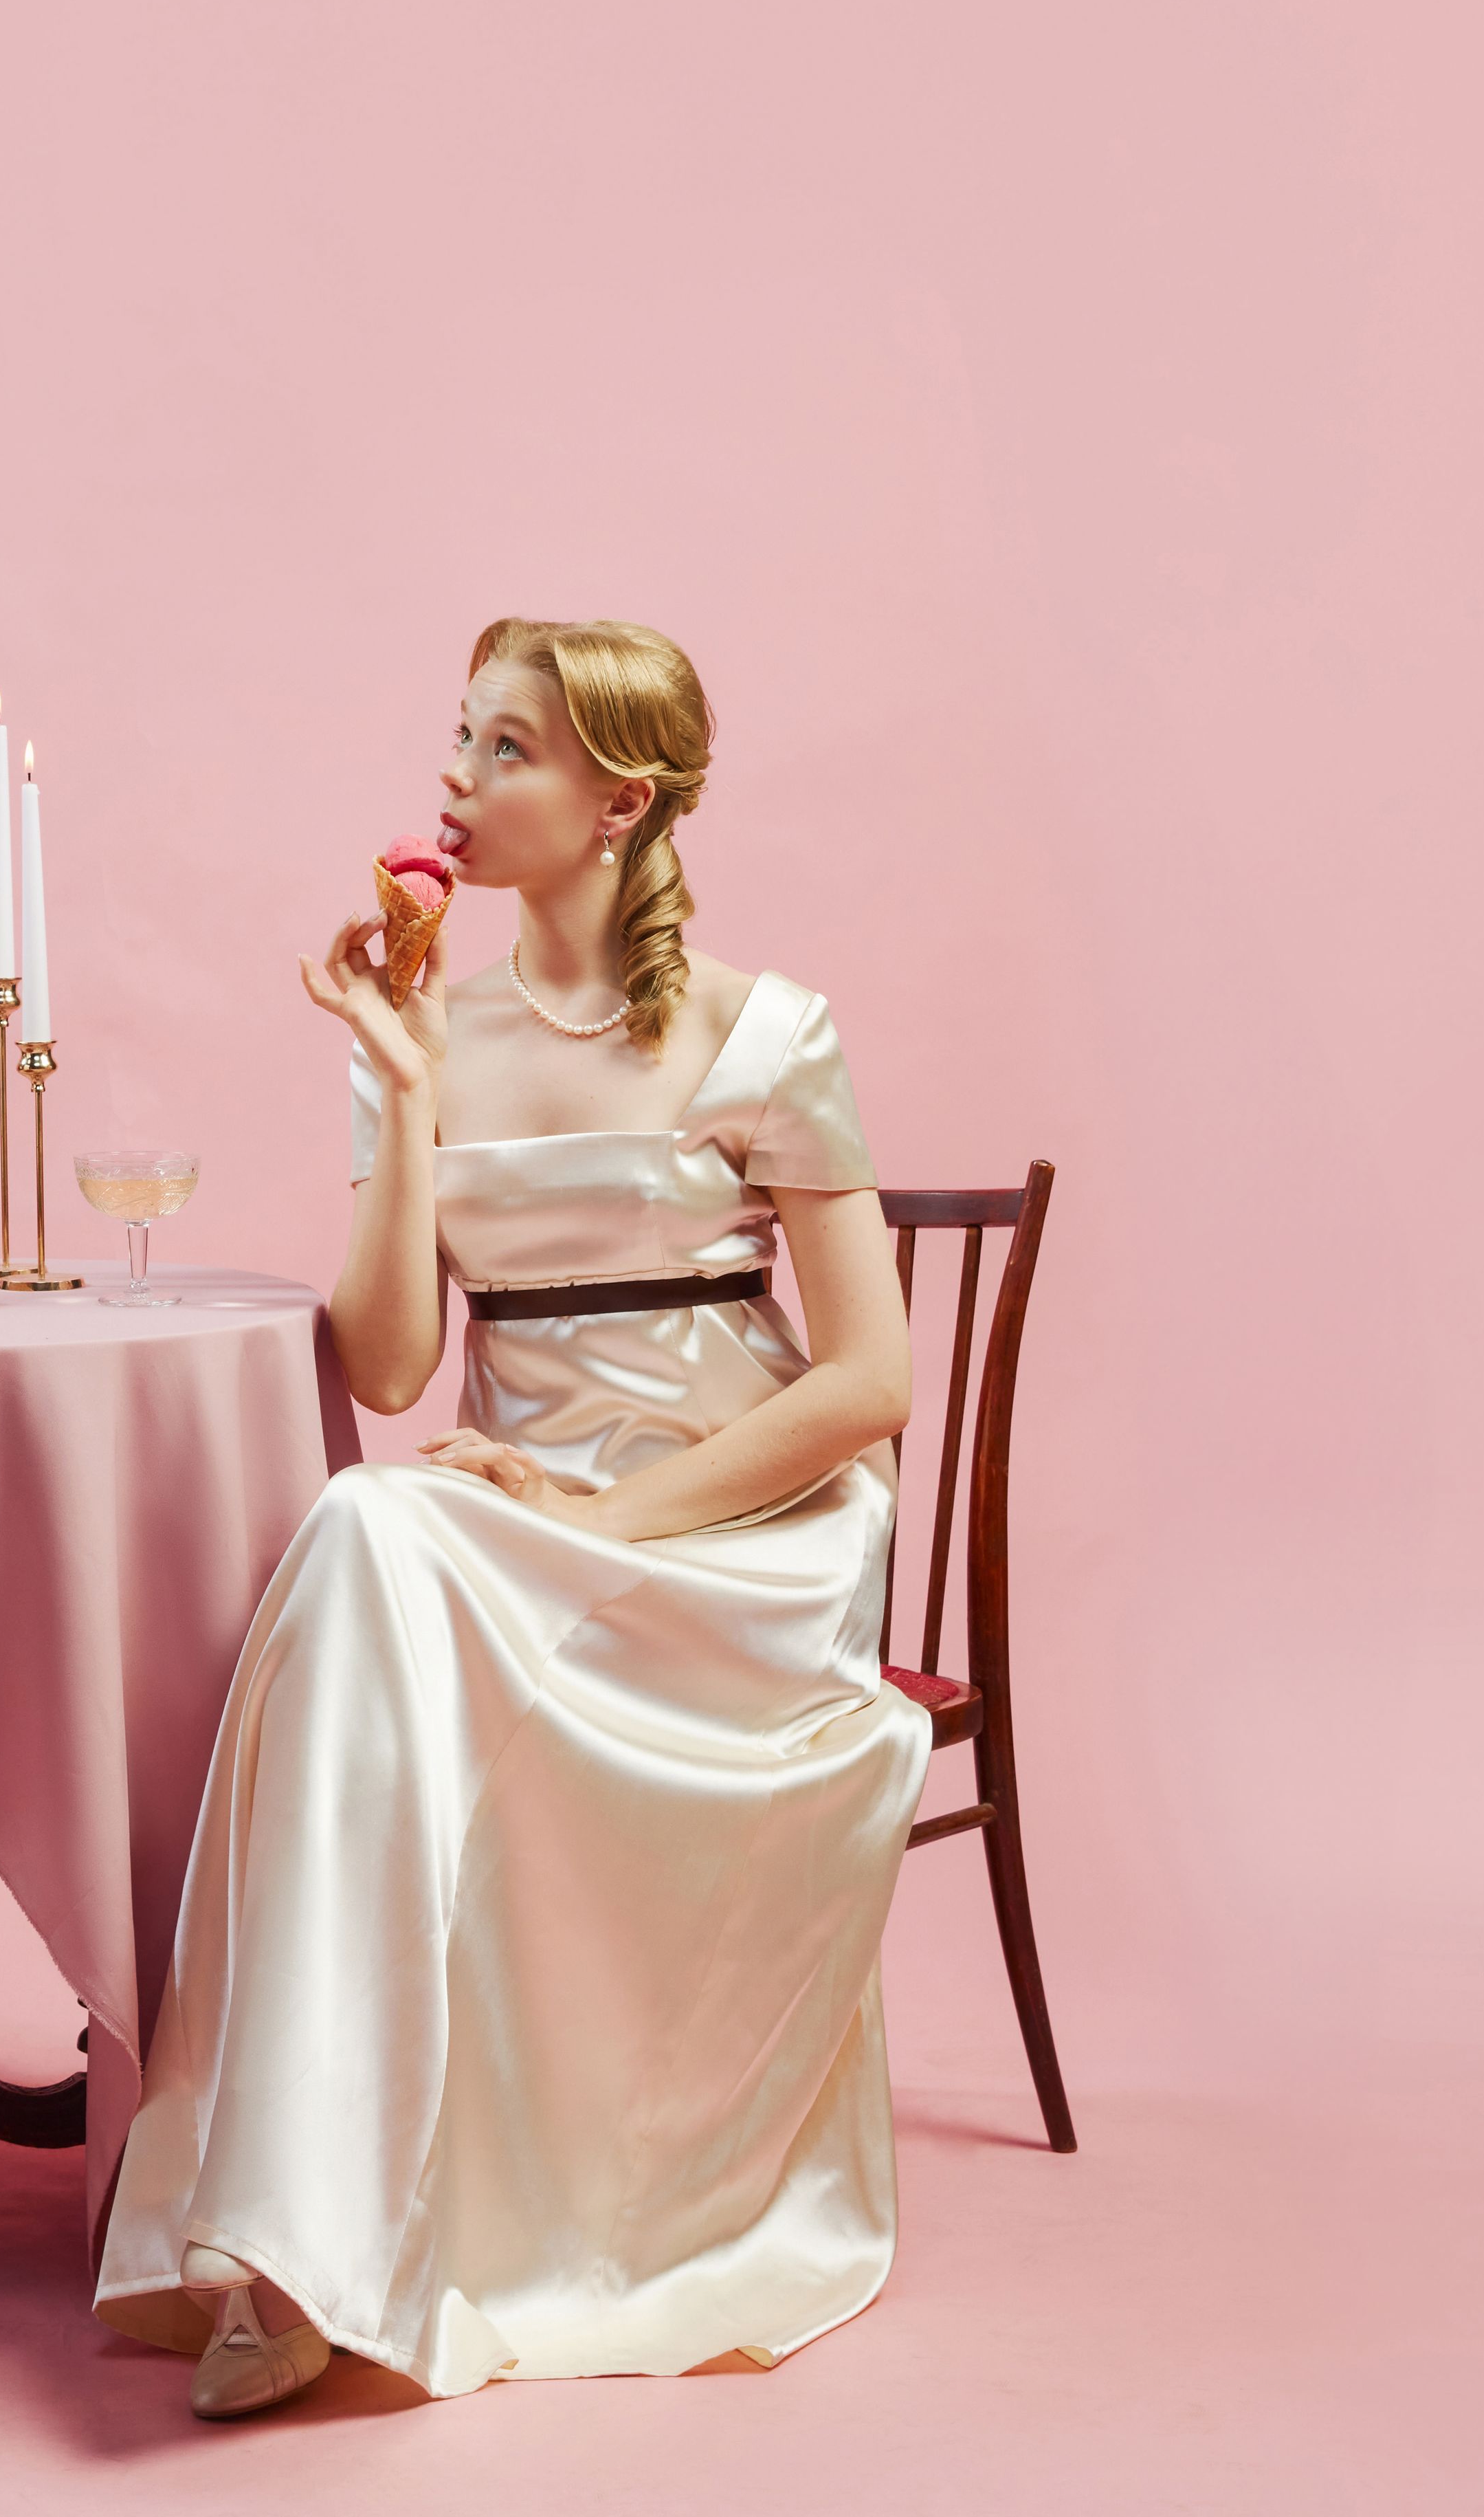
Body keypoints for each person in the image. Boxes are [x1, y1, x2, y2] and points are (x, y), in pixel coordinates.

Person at [92, 617, 927, 2416]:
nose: (454, 784)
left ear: (618, 798)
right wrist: (399, 1085)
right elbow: (391, 1366)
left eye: (505, 752)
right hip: (506, 1519)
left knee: (372, 1538)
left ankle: (294, 2235)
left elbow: (865, 1383)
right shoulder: (429, 1031)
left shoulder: (761, 1033)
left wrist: (611, 1522)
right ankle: (295, 2231)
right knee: (362, 1525)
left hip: (733, 1537)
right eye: (454, 743)